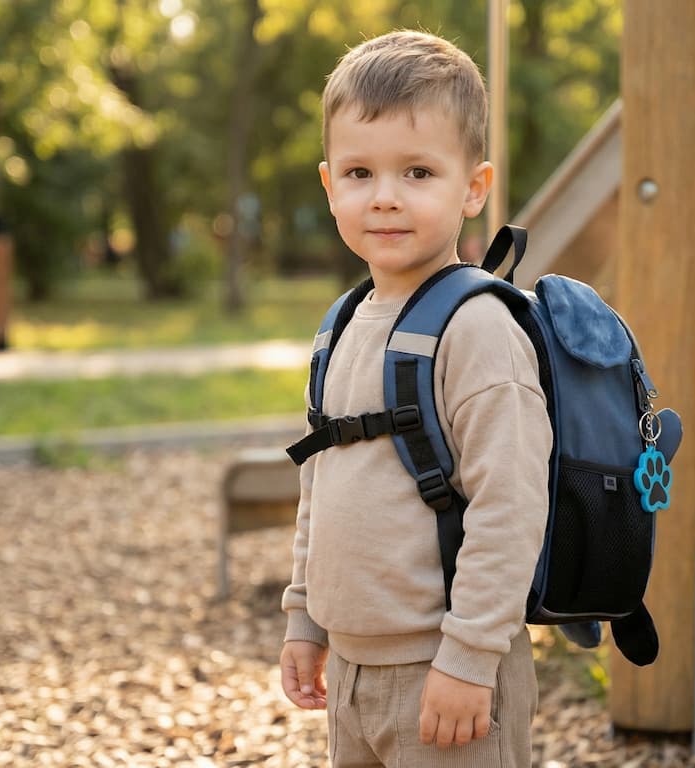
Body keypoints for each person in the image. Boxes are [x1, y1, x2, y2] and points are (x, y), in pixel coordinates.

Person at [278, 30, 552, 767]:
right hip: (355, 672)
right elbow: (321, 483)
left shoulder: (478, 330)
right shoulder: (341, 325)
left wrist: (468, 658)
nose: (386, 197)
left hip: (449, 670)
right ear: (330, 185)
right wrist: (305, 616)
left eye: (419, 172)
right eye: (360, 172)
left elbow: (512, 507)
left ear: (473, 186)